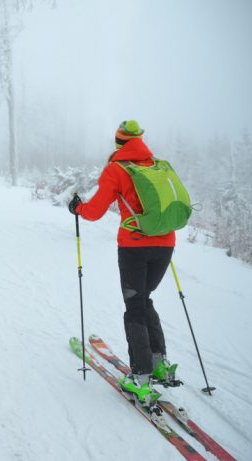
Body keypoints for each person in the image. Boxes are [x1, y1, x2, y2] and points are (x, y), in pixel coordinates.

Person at [68, 120, 177, 407]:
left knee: (134, 308)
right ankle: (158, 362)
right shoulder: (157, 165)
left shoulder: (116, 169)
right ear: (141, 140)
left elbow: (93, 212)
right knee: (144, 300)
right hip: (165, 244)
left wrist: (76, 207)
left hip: (135, 247)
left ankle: (140, 378)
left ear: (118, 143)